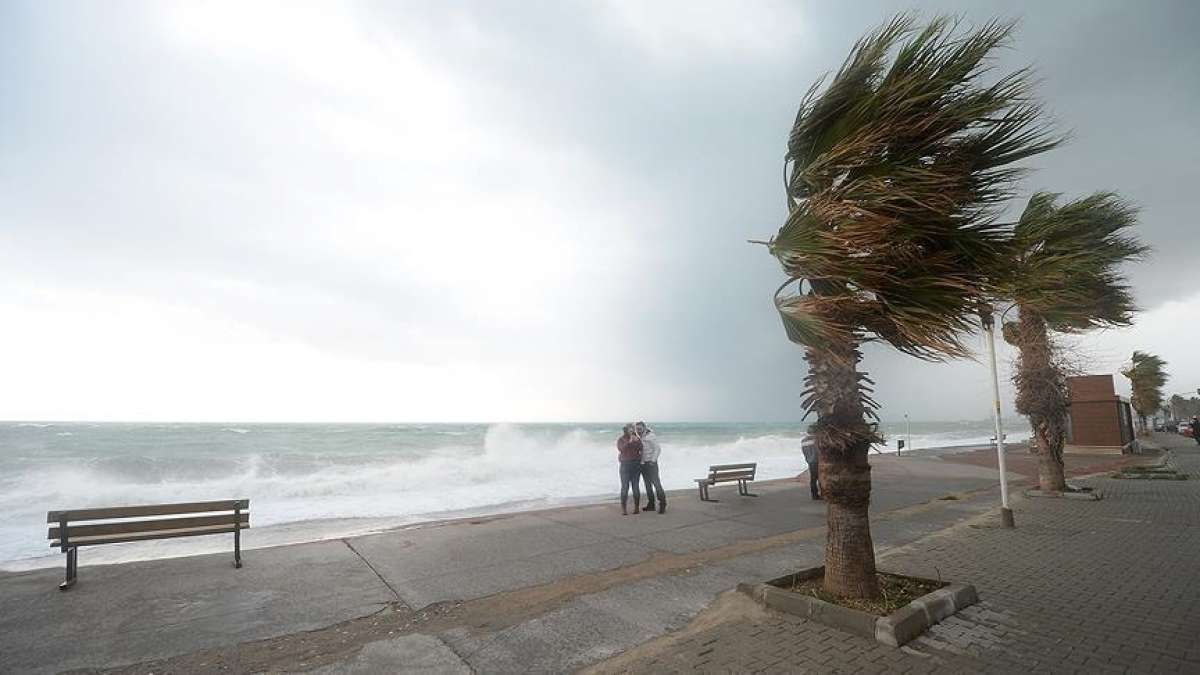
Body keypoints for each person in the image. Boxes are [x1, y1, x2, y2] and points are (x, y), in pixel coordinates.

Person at [636, 421, 666, 514]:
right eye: (637, 429)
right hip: (643, 464)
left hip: (651, 464)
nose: (638, 430)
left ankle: (663, 504)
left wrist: (653, 461)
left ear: (644, 428)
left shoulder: (651, 436)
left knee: (656, 484)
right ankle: (651, 504)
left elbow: (657, 449)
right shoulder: (639, 437)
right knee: (647, 485)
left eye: (640, 429)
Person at [617, 424, 643, 515]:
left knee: (635, 486)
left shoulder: (636, 438)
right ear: (626, 430)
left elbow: (641, 448)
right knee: (625, 487)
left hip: (634, 465)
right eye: (630, 429)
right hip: (626, 465)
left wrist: (637, 441)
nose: (632, 430)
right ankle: (624, 509)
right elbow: (621, 449)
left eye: (633, 429)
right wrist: (630, 442)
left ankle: (636, 508)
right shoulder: (621, 439)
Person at [801, 435, 821, 500]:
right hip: (817, 460)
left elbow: (804, 452)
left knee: (813, 479)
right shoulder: (816, 439)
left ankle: (814, 494)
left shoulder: (803, 441)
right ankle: (820, 494)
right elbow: (818, 450)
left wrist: (807, 459)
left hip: (810, 461)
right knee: (820, 478)